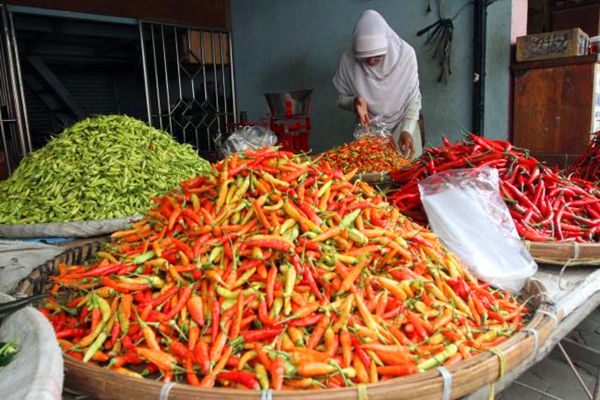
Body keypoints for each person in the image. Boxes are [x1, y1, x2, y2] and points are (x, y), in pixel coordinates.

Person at [333, 9, 422, 157]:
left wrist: (407, 129)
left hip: (405, 127)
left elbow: (414, 99)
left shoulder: (406, 55)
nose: (371, 62)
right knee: (370, 175)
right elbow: (339, 99)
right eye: (364, 58)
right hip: (368, 131)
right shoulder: (348, 60)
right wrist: (354, 103)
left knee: (410, 172)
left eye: (377, 57)